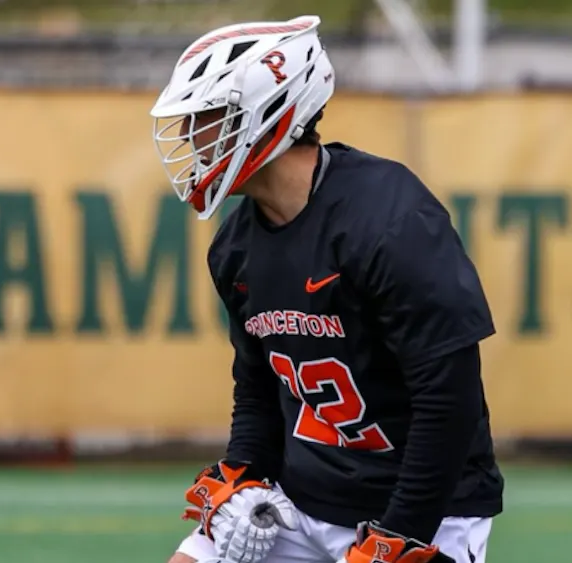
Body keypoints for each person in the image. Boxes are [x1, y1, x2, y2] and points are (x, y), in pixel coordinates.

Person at [150, 14, 503, 563]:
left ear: (268, 113)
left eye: (207, 117)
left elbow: (448, 397)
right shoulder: (236, 246)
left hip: (425, 508)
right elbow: (259, 387)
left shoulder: (388, 216)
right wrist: (242, 473)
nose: (193, 138)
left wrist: (402, 532)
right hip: (302, 499)